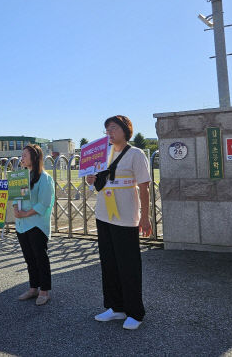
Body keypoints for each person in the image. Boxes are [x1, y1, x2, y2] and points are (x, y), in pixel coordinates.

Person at [85, 115, 152, 330]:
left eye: (113, 128)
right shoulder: (105, 154)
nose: (109, 133)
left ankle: (135, 312)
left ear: (125, 130)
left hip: (126, 216)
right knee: (109, 263)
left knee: (128, 265)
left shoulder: (136, 154)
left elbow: (144, 187)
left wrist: (145, 216)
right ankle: (116, 307)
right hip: (104, 213)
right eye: (107, 129)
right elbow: (101, 181)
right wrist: (91, 180)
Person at [12, 144, 55, 306]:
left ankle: (44, 290)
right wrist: (16, 209)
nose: (21, 158)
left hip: (36, 225)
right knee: (29, 258)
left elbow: (44, 204)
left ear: (34, 158)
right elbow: (16, 197)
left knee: (40, 257)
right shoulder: (21, 176)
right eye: (21, 155)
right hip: (22, 224)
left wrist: (25, 214)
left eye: (25, 155)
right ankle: (33, 287)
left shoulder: (45, 178)